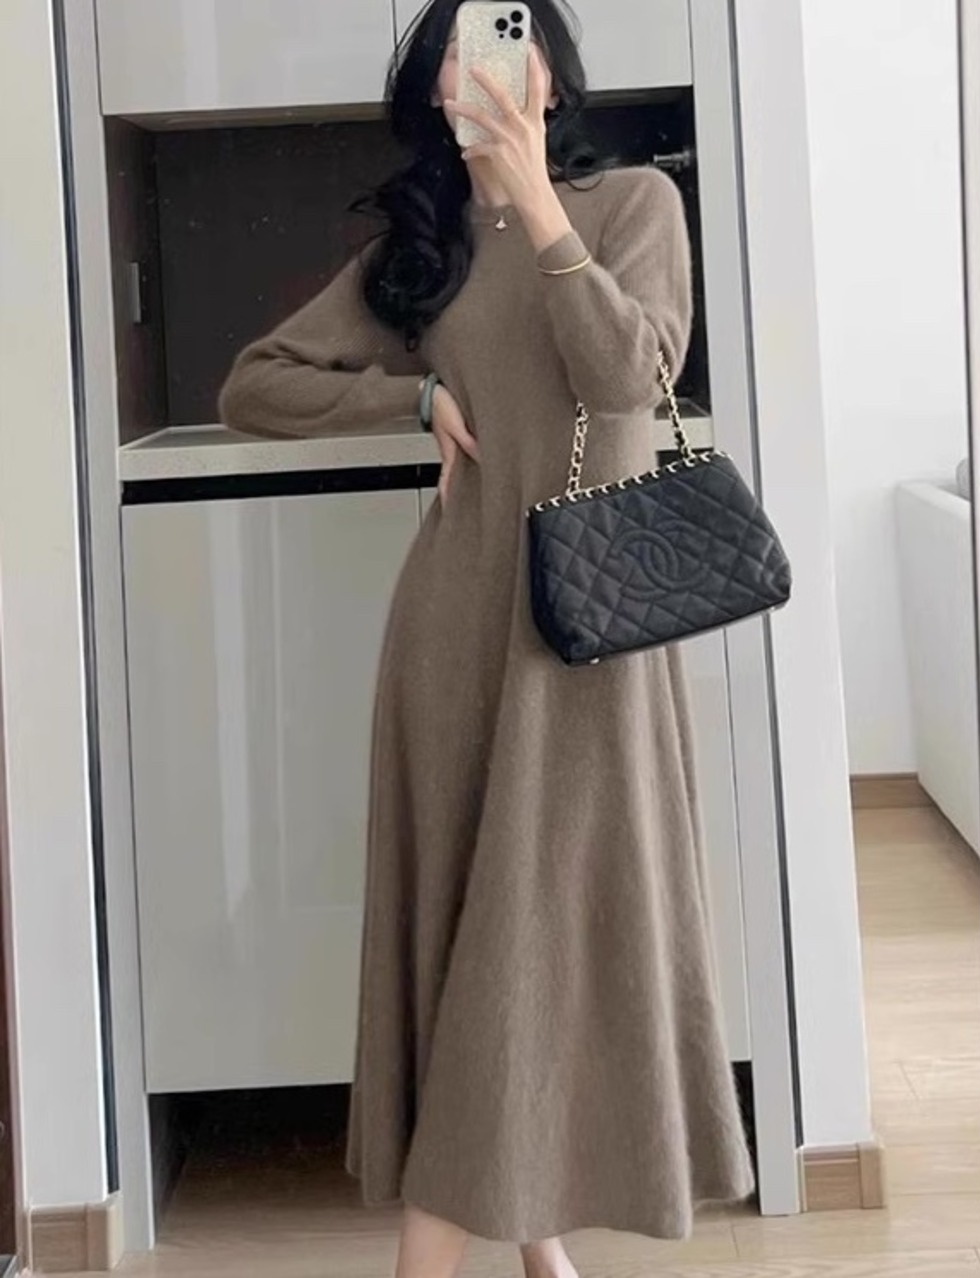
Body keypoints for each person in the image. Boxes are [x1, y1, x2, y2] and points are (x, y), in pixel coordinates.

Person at [219, 2, 755, 1276]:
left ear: (550, 79)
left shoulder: (632, 205)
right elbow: (253, 384)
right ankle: (488, 1254)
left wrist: (541, 209)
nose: (485, 70)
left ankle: (516, 1244)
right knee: (485, 928)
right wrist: (413, 395)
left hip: (593, 630)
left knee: (540, 928)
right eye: (459, 53)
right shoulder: (424, 245)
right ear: (434, 90)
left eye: (506, 43)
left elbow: (629, 377)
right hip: (455, 631)